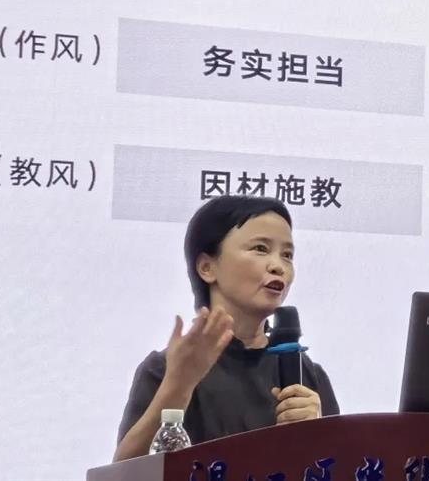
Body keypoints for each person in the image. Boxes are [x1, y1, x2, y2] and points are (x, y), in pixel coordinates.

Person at [114, 196, 339, 462]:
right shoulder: (166, 369)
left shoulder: (307, 374)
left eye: (287, 255)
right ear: (207, 267)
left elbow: (345, 468)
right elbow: (122, 474)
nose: (278, 266)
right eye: (260, 248)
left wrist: (321, 433)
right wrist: (179, 385)